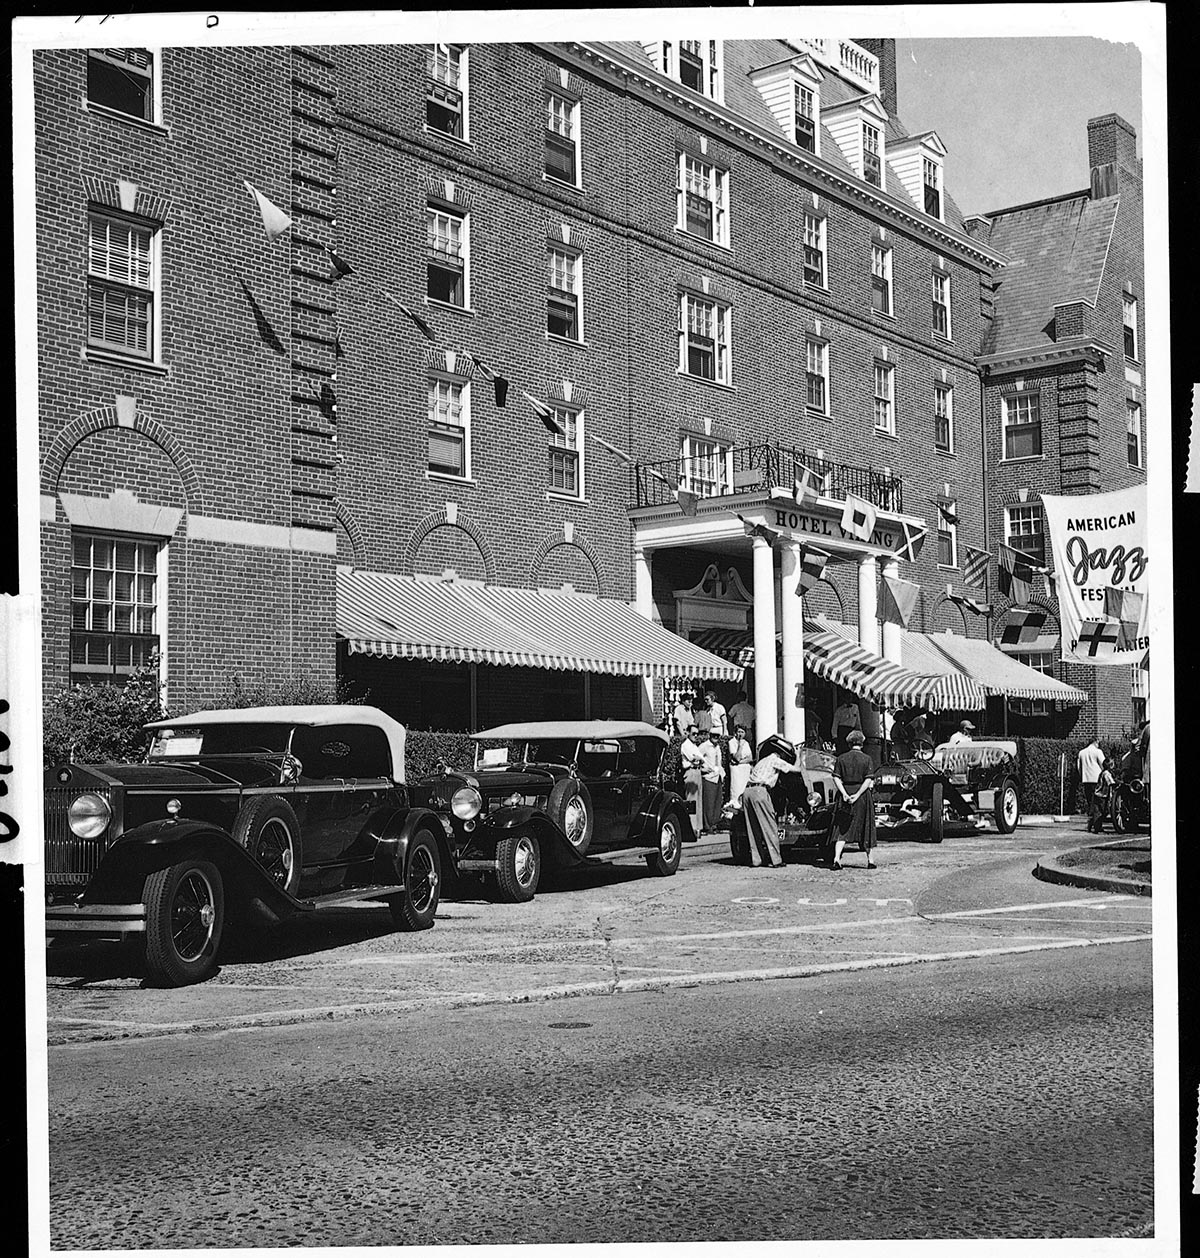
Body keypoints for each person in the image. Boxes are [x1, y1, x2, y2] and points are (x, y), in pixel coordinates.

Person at [741, 738, 804, 868]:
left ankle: (756, 859)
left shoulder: (762, 761)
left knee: (752, 827)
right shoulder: (775, 760)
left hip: (747, 791)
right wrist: (798, 755)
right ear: (782, 754)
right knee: (769, 826)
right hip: (760, 791)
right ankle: (776, 860)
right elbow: (797, 769)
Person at [830, 729, 877, 869]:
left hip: (845, 793)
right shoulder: (867, 759)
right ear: (862, 743)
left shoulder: (841, 758)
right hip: (862, 796)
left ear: (849, 743)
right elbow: (868, 780)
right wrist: (857, 794)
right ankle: (870, 861)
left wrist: (844, 793)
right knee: (866, 827)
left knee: (842, 828)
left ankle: (836, 859)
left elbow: (836, 778)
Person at [679, 724, 705, 838]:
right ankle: (692, 828)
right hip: (690, 772)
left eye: (697, 734)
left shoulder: (694, 746)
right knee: (692, 801)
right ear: (688, 733)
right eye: (693, 733)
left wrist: (699, 759)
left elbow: (702, 759)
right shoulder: (685, 745)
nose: (696, 736)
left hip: (697, 772)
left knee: (699, 800)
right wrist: (698, 759)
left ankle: (698, 828)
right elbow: (693, 758)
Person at [698, 728, 726, 833]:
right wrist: (702, 769)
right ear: (710, 735)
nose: (715, 737)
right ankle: (708, 825)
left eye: (717, 736)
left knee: (717, 802)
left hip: (717, 777)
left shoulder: (717, 747)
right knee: (709, 803)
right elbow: (695, 758)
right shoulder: (704, 746)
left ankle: (714, 824)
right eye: (714, 735)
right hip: (708, 777)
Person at [1076, 736, 1105, 820]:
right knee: (1097, 800)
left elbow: (1079, 767)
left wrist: (1082, 775)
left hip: (1086, 778)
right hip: (1096, 778)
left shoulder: (1081, 752)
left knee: (1089, 799)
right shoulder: (1098, 752)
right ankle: (1096, 818)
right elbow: (1103, 764)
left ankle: (1091, 816)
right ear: (1095, 741)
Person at [727, 723, 755, 806]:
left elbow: (750, 758)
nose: (740, 734)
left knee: (744, 788)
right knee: (736, 788)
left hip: (745, 769)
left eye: (742, 732)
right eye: (739, 732)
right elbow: (737, 757)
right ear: (735, 733)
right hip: (736, 770)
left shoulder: (746, 743)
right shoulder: (731, 742)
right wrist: (740, 746)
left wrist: (740, 762)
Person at [1088, 757, 1116, 833]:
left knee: (1099, 811)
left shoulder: (1103, 772)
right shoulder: (1106, 773)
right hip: (1102, 795)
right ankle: (1097, 827)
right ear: (1110, 766)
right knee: (1102, 811)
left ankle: (1093, 822)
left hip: (1098, 794)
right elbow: (1110, 782)